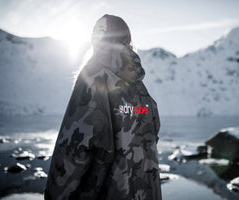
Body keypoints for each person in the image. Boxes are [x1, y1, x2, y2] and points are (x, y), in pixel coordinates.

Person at [44, 14, 162, 200]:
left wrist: (55, 194)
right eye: (93, 31)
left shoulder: (94, 75)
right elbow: (152, 131)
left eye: (100, 31)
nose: (93, 36)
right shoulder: (140, 88)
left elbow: (75, 144)